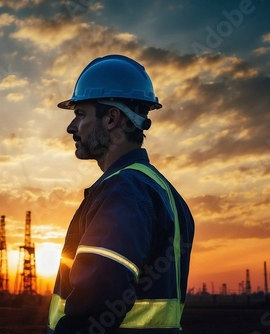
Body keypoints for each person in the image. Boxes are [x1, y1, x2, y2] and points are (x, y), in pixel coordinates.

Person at [47, 54, 194, 334]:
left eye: (80, 114)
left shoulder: (125, 190)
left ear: (112, 118)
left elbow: (99, 294)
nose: (71, 127)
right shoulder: (163, 191)